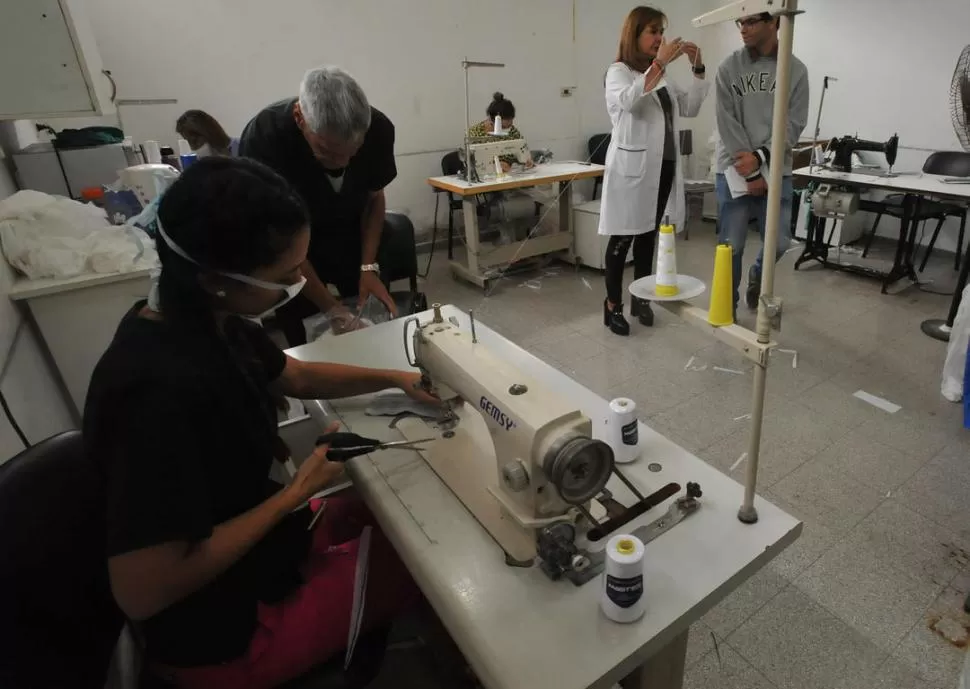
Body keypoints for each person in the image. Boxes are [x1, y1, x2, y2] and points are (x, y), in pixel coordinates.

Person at [83, 156, 435, 689]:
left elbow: (294, 375)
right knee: (426, 558)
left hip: (260, 556)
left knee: (393, 514)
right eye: (284, 276)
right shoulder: (152, 391)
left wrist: (396, 377)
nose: (300, 281)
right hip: (224, 638)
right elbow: (143, 589)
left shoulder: (206, 320)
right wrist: (295, 493)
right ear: (215, 279)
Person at [238, 65, 397, 346]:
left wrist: (368, 267)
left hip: (352, 235)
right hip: (291, 248)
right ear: (300, 118)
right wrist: (331, 308)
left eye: (353, 153)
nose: (342, 164)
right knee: (308, 332)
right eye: (327, 152)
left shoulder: (379, 129)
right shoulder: (265, 138)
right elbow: (280, 237)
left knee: (369, 327)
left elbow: (374, 198)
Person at [599, 6, 709, 336]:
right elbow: (630, 101)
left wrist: (698, 67)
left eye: (661, 31)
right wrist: (660, 64)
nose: (659, 38)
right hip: (632, 172)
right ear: (634, 35)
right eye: (652, 31)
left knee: (649, 236)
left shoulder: (661, 77)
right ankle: (612, 305)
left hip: (663, 169)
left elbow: (689, 107)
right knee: (623, 237)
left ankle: (641, 300)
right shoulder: (618, 72)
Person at [714, 11, 809, 313]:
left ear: (775, 22)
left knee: (780, 243)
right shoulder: (729, 68)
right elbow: (726, 121)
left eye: (752, 21)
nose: (744, 28)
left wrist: (762, 159)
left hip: (776, 170)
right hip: (734, 167)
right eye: (740, 22)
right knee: (732, 246)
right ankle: (727, 305)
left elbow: (793, 124)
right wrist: (751, 167)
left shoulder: (795, 70)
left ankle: (758, 274)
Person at [466, 92, 534, 170]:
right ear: (491, 120)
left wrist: (527, 160)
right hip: (486, 176)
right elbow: (473, 163)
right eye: (503, 127)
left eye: (510, 125)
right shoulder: (475, 134)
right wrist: (495, 165)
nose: (507, 129)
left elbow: (522, 150)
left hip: (511, 175)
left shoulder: (512, 131)